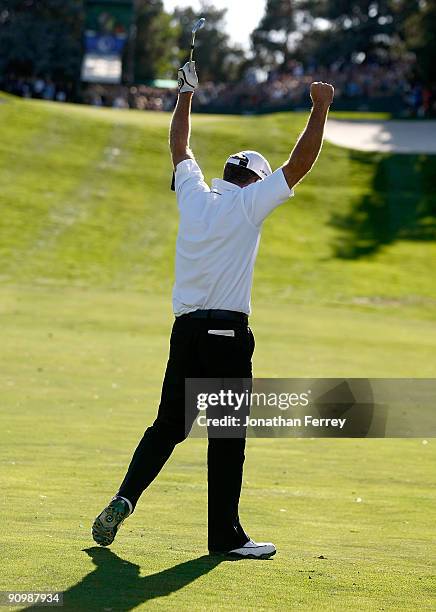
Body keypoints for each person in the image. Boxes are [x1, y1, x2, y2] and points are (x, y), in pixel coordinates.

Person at [92, 61, 334, 559]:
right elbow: (301, 165)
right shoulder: (249, 204)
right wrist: (319, 109)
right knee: (227, 439)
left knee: (167, 427)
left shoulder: (195, 197)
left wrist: (185, 95)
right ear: (254, 182)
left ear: (227, 175)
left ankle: (125, 497)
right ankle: (226, 536)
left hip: (185, 334)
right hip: (226, 336)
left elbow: (180, 147)